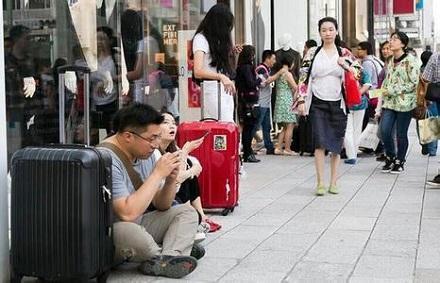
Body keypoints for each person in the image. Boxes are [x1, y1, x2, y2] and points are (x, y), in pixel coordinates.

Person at [98, 103, 201, 278]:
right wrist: (157, 174)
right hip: (111, 230)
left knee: (186, 212)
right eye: (151, 138)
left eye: (157, 138)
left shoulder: (145, 152)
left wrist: (169, 181)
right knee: (134, 235)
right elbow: (127, 213)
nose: (155, 145)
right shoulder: (105, 159)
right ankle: (171, 250)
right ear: (128, 136)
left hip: (141, 221)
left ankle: (169, 257)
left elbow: (162, 205)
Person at [296, 17, 359, 196]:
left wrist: (346, 65)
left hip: (338, 103)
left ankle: (334, 182)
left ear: (336, 31)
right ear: (320, 33)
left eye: (331, 29)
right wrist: (301, 100)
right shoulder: (313, 53)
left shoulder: (344, 52)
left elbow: (359, 73)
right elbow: (303, 76)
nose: (328, 33)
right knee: (319, 143)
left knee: (336, 144)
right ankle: (320, 183)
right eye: (324, 30)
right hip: (317, 102)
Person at [158, 112, 222, 232]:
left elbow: (196, 164)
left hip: (174, 191)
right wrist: (186, 152)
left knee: (190, 171)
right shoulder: (155, 151)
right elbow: (178, 179)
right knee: (188, 175)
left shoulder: (172, 147)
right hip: (165, 196)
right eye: (166, 123)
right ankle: (192, 218)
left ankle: (201, 216)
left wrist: (189, 167)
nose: (172, 126)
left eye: (173, 123)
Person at [379, 31, 420, 174]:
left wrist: (394, 89)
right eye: (391, 39)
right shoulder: (390, 60)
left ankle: (399, 160)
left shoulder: (411, 61)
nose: (391, 41)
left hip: (405, 104)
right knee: (384, 131)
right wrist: (381, 91)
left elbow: (415, 83)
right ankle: (390, 156)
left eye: (395, 39)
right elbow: (387, 80)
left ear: (403, 44)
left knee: (401, 134)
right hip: (389, 103)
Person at [192, 3, 236, 122]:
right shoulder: (200, 39)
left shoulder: (215, 40)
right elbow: (198, 71)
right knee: (227, 125)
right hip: (212, 88)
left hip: (224, 88)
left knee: (228, 126)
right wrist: (221, 76)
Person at [253, 50, 287, 155]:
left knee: (267, 126)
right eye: (273, 59)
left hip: (266, 103)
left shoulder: (267, 69)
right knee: (256, 125)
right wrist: (279, 73)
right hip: (260, 102)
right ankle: (247, 146)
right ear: (267, 58)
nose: (274, 61)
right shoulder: (261, 69)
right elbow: (264, 82)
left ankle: (269, 147)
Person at [236, 45, 264, 162]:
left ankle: (247, 152)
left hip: (243, 100)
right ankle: (248, 152)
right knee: (249, 128)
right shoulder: (247, 67)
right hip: (249, 101)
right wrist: (259, 79)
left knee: (248, 128)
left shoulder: (240, 67)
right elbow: (251, 83)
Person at [274, 56, 298, 155]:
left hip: (279, 100)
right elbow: (295, 87)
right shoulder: (287, 74)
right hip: (287, 100)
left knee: (284, 126)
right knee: (290, 124)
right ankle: (287, 149)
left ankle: (278, 147)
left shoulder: (279, 73)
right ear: (290, 63)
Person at [423, 52, 440, 186]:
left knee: (433, 124)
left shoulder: (436, 56)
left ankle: (431, 148)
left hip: (437, 97)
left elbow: (426, 78)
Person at [418, 51, 436, 156]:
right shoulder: (433, 69)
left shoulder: (420, 70)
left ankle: (425, 145)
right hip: (432, 98)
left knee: (422, 123)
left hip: (422, 100)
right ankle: (432, 149)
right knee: (433, 123)